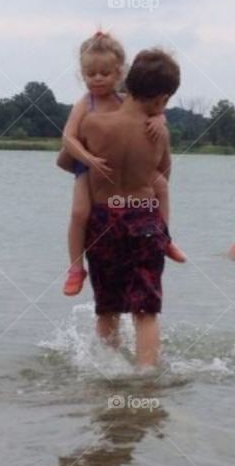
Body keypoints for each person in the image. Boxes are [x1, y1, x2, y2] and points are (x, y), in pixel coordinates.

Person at [57, 30, 185, 296]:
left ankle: (164, 237)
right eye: (90, 73)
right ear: (82, 75)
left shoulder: (125, 100)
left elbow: (154, 108)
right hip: (88, 163)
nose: (97, 78)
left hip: (124, 169)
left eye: (105, 72)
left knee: (160, 185)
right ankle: (75, 268)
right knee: (80, 212)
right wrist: (87, 159)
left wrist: (159, 120)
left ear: (119, 73)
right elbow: (68, 138)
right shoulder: (86, 103)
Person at [78, 48, 181, 369]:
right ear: (162, 98)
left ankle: (105, 371)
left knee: (106, 308)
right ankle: (146, 378)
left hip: (103, 220)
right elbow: (163, 176)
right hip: (144, 219)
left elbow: (68, 163)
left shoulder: (94, 124)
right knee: (145, 311)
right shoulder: (158, 132)